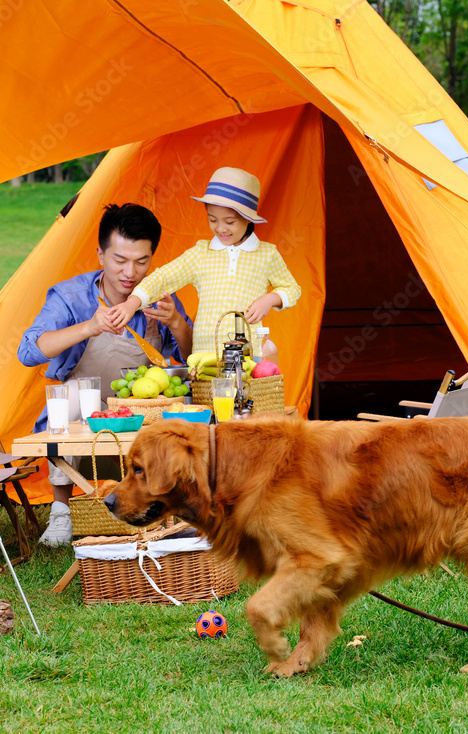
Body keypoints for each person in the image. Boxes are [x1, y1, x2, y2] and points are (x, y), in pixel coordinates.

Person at [17, 203, 193, 546]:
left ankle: (169, 509)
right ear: (100, 254)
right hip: (88, 419)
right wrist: (89, 327)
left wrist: (177, 323)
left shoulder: (160, 296)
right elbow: (29, 352)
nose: (130, 272)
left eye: (142, 261)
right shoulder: (70, 296)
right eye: (120, 260)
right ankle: (61, 512)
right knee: (66, 398)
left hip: (143, 416)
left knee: (187, 403)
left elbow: (190, 361)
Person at [107, 167, 300, 355]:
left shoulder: (266, 254)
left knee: (246, 387)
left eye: (229, 222)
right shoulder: (200, 254)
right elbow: (163, 278)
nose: (220, 228)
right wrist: (132, 303)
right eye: (213, 219)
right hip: (204, 356)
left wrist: (270, 299)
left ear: (248, 218)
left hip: (249, 355)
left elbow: (292, 289)